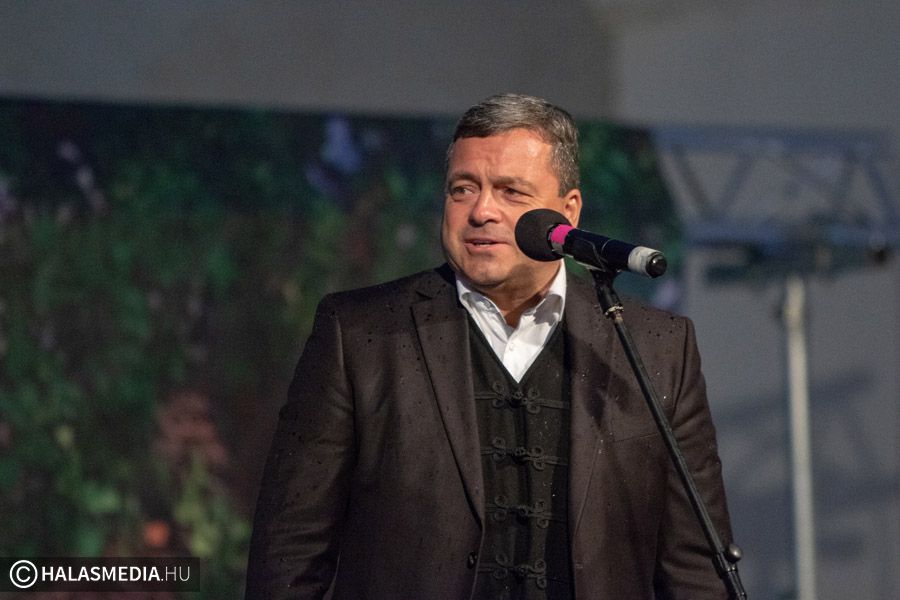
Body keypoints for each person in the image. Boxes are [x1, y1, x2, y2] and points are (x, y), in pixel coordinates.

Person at [246, 93, 734, 599]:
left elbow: (697, 570)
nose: (481, 211)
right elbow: (289, 554)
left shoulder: (656, 348)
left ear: (568, 210)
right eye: (462, 189)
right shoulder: (359, 335)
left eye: (510, 192)